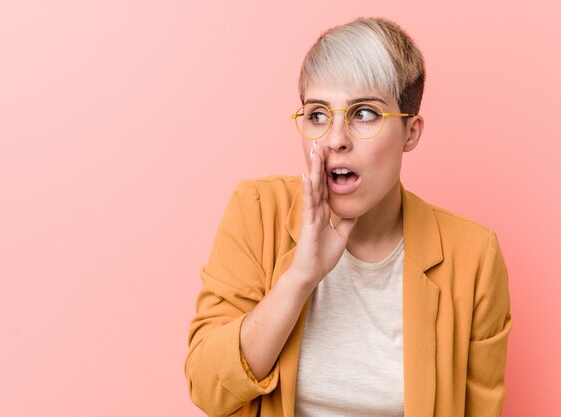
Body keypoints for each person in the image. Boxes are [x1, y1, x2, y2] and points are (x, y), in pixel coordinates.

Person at [185, 16, 513, 417]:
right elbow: (205, 387)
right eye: (318, 115)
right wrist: (299, 279)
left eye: (363, 114)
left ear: (411, 131)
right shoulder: (258, 212)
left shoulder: (473, 257)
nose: (335, 139)